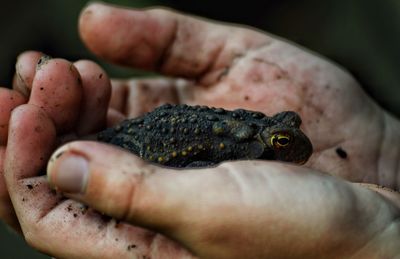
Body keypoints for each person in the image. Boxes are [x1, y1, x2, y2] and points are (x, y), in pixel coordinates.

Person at [1, 2, 400, 258]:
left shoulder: (245, 139)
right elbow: (190, 163)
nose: (286, 141)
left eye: (285, 134)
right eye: (280, 141)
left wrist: (375, 237)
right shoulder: (232, 148)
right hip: (144, 141)